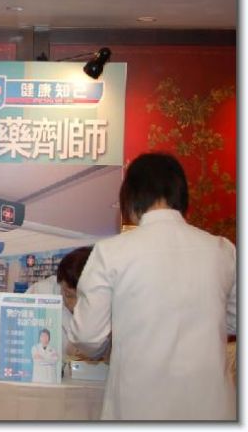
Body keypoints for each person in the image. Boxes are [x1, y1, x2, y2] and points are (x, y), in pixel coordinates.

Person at [69, 152, 236, 420]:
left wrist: (111, 343)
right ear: (182, 198)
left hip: (138, 407)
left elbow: (88, 336)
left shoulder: (111, 252)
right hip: (211, 408)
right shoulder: (222, 250)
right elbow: (236, 321)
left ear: (130, 198)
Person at [26, 247, 101, 359]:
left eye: (85, 299)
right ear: (59, 282)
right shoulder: (40, 292)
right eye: (68, 295)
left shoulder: (112, 299)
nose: (75, 305)